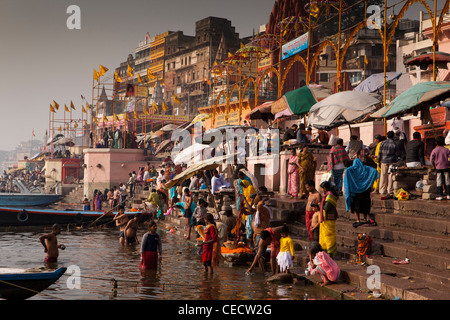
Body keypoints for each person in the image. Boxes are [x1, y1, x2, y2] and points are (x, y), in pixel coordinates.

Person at [344, 158, 379, 228]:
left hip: (355, 191)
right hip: (365, 191)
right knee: (365, 206)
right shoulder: (365, 169)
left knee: (355, 207)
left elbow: (347, 172)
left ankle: (358, 220)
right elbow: (375, 171)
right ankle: (365, 219)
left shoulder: (351, 170)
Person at [318, 181, 339, 257]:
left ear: (325, 188)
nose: (322, 190)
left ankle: (330, 252)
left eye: (322, 189)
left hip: (329, 219)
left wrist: (319, 204)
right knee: (325, 235)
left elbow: (326, 207)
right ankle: (327, 251)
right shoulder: (327, 195)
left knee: (329, 235)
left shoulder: (330, 196)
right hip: (326, 219)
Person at [377, 131, 399, 197]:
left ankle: (382, 190)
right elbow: (397, 154)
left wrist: (378, 161)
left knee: (383, 175)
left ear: (387, 136)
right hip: (392, 161)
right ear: (393, 136)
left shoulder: (382, 143)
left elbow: (379, 153)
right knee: (391, 176)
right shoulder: (394, 144)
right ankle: (390, 190)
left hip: (384, 161)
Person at [430, 136, 450, 200]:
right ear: (443, 142)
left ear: (436, 143)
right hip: (446, 167)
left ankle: (440, 195)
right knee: (447, 181)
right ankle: (448, 194)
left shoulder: (434, 150)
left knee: (439, 181)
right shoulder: (446, 150)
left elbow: (431, 159)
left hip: (438, 168)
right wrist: (448, 163)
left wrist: (434, 165)